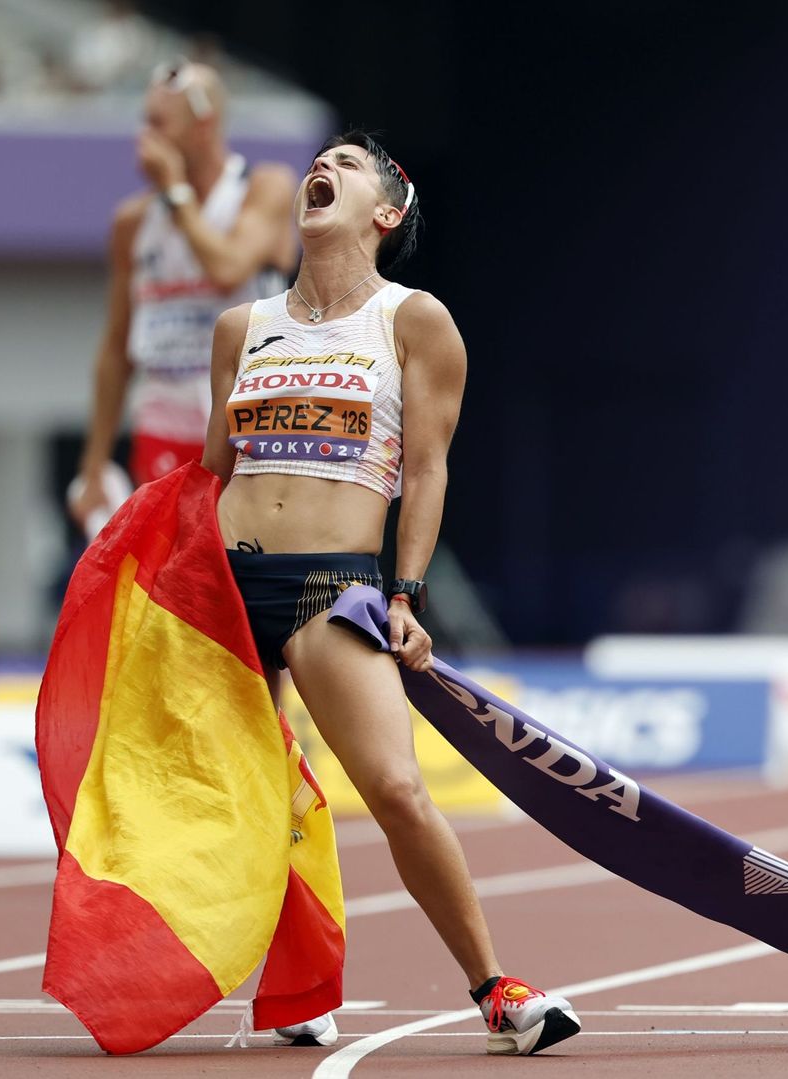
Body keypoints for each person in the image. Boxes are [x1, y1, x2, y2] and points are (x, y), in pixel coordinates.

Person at [201, 131, 581, 1056]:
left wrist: (406, 593)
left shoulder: (414, 321)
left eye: (347, 163)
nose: (319, 170)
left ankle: (496, 992)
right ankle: (295, 986)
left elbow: (426, 466)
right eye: (316, 161)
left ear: (386, 212)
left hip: (333, 585)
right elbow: (212, 469)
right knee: (249, 798)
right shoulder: (239, 329)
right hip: (225, 583)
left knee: (399, 789)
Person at [68, 59, 298, 532]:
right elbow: (116, 348)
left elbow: (228, 267)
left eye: (157, 122)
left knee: (237, 579)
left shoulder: (264, 187)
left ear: (203, 125)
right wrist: (93, 466)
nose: (143, 137)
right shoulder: (132, 224)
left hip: (249, 433)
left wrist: (176, 192)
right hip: (163, 430)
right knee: (173, 589)